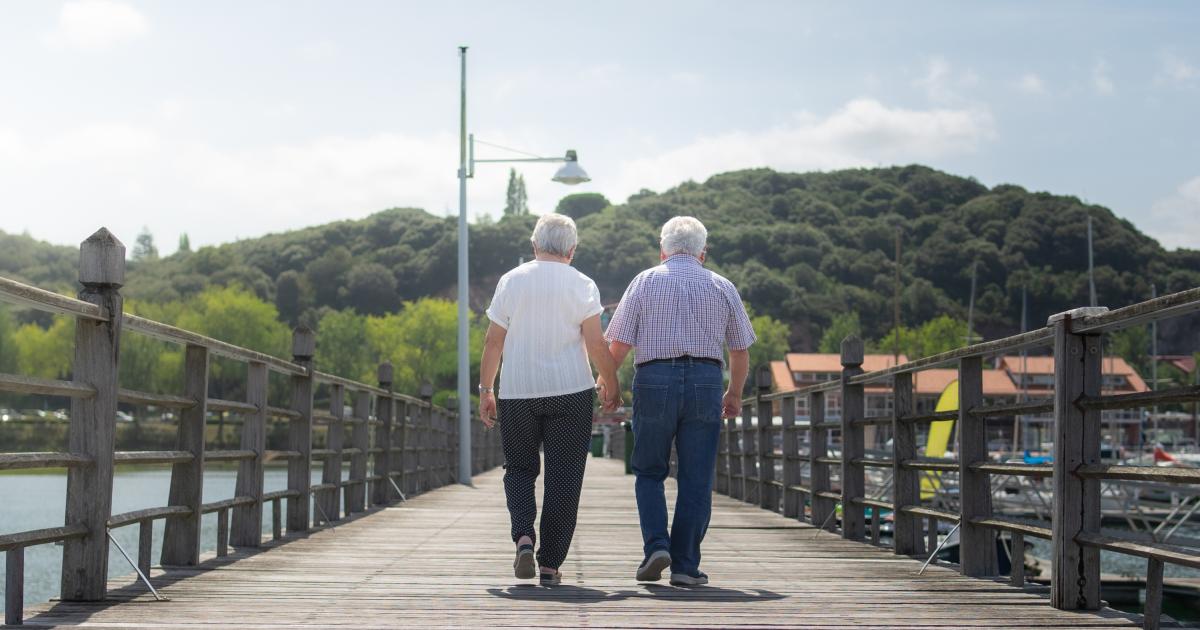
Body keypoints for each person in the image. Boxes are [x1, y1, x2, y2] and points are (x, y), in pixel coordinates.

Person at [602, 216, 756, 586]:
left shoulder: (644, 281)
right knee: (696, 478)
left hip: (654, 378)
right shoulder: (722, 286)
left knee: (650, 471)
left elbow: (618, 345)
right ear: (703, 253)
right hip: (706, 380)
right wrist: (733, 393)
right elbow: (740, 350)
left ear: (662, 250)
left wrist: (607, 385)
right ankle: (686, 566)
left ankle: (656, 545)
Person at [478, 213, 622, 586]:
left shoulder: (511, 281)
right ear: (572, 250)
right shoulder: (582, 284)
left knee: (520, 468)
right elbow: (595, 343)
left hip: (517, 391)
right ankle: (550, 564)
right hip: (570, 391)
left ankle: (524, 536)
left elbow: (493, 341)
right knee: (564, 477)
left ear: (534, 246)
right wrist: (611, 381)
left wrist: (486, 390)